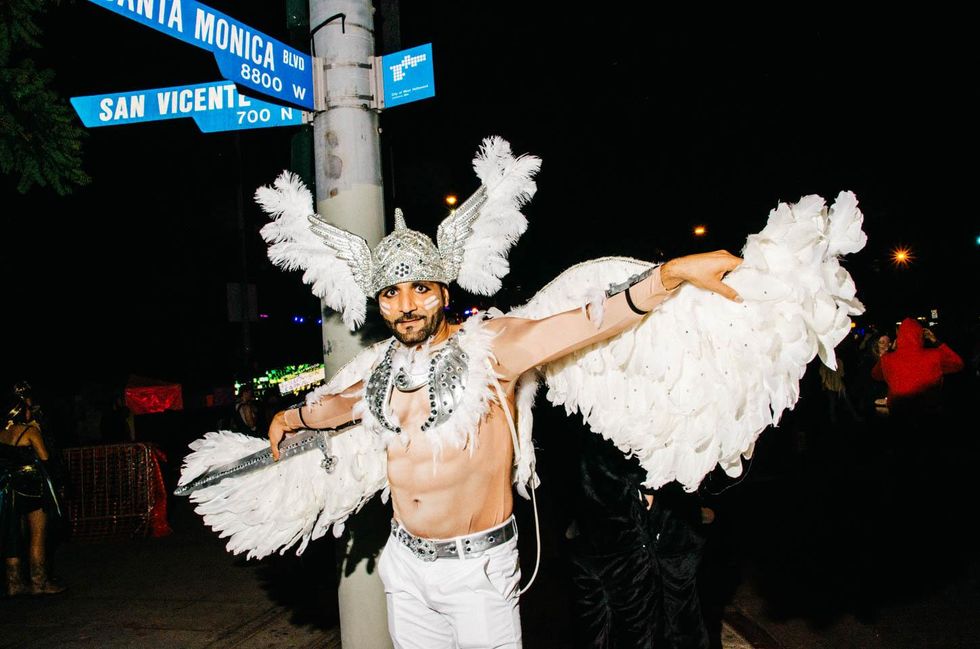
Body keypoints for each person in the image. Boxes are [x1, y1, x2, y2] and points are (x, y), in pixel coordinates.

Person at [178, 139, 867, 649]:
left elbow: (593, 317)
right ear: (380, 302)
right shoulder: (381, 367)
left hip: (477, 572)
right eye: (392, 292)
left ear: (443, 289)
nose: (407, 303)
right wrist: (290, 415)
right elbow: (339, 408)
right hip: (405, 567)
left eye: (420, 287)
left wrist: (673, 273)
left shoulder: (496, 347)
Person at [1, 397, 66, 596]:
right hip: (31, 486)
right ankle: (39, 583)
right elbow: (45, 457)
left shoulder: (2, 433)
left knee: (12, 533)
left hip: (9, 486)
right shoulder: (30, 431)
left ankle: (14, 584)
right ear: (21, 412)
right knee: (38, 534)